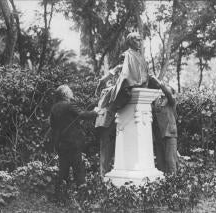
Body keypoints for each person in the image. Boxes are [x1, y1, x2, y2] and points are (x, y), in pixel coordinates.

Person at [95, 32, 149, 176]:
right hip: (109, 125)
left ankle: (107, 174)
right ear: (131, 41)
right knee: (107, 154)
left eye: (140, 39)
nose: (139, 41)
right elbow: (114, 79)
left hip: (120, 123)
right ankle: (103, 177)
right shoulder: (127, 56)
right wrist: (111, 76)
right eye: (137, 39)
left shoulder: (140, 58)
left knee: (118, 154)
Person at [50, 85, 98, 194]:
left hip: (61, 144)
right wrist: (95, 112)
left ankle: (60, 195)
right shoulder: (70, 105)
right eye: (70, 92)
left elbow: (53, 127)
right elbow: (83, 114)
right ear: (66, 94)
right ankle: (83, 196)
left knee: (63, 169)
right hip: (73, 143)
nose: (72, 93)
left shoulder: (54, 108)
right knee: (78, 169)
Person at [149, 76, 178, 174]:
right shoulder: (157, 100)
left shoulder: (171, 100)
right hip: (158, 134)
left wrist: (158, 82)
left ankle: (173, 182)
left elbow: (167, 92)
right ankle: (163, 183)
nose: (166, 88)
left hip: (169, 132)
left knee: (170, 159)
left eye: (168, 87)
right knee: (160, 160)